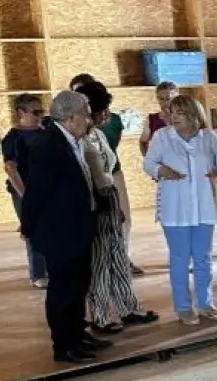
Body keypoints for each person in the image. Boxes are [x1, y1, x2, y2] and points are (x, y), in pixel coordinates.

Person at [20, 90, 113, 364]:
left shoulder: (73, 139)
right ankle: (64, 345)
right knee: (63, 289)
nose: (89, 120)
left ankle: (77, 334)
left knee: (78, 284)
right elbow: (36, 190)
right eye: (86, 115)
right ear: (71, 118)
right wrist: (28, 225)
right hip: (59, 231)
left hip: (78, 226)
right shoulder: (49, 144)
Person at [77, 81, 158, 333]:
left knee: (119, 254)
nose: (106, 115)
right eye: (102, 111)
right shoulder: (78, 140)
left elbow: (108, 170)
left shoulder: (99, 135)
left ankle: (128, 307)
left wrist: (116, 206)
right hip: (93, 203)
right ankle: (100, 317)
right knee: (100, 262)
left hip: (109, 198)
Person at [143, 95, 217, 325]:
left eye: (180, 113)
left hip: (203, 207)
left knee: (203, 258)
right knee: (180, 259)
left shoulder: (209, 137)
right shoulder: (162, 136)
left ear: (193, 115)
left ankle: (205, 304)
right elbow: (148, 164)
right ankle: (183, 307)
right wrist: (162, 171)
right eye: (172, 112)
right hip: (175, 209)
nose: (174, 117)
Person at [70, 73, 142, 276]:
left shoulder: (101, 131)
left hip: (109, 180)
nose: (104, 115)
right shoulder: (75, 137)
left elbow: (108, 157)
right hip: (90, 192)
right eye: (100, 111)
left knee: (121, 222)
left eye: (105, 110)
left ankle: (120, 262)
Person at [1, 93, 47, 288]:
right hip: (25, 190)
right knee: (33, 230)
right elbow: (11, 168)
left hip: (46, 188)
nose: (40, 116)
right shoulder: (13, 138)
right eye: (35, 112)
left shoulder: (45, 133)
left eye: (41, 112)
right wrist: (26, 196)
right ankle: (38, 274)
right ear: (21, 113)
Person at [139, 81, 178, 156]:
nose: (165, 103)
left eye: (168, 99)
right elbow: (143, 142)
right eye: (161, 99)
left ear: (176, 98)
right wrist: (148, 159)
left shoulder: (187, 117)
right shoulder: (152, 120)